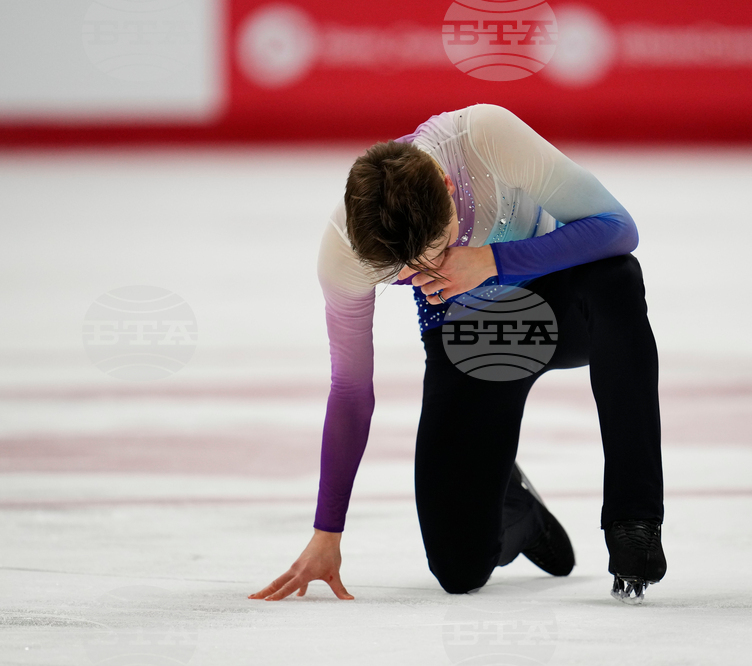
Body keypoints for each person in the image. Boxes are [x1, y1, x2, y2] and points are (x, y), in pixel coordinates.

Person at [249, 103, 666, 604]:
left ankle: (633, 521)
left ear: (447, 187)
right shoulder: (346, 251)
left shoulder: (483, 138)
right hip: (475, 341)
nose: (423, 275)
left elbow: (618, 227)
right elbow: (351, 391)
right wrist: (327, 532)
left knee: (617, 278)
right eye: (402, 273)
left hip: (563, 309)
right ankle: (515, 509)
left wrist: (493, 260)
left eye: (436, 253)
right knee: (458, 569)